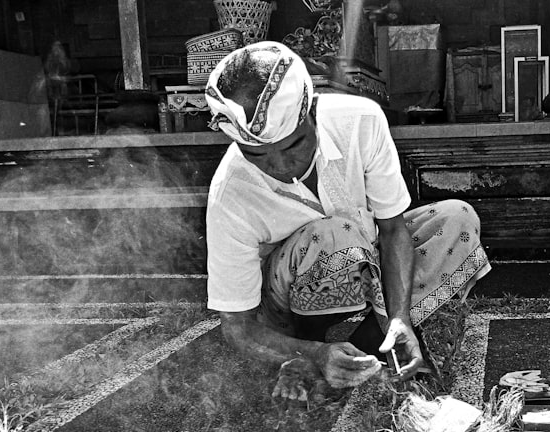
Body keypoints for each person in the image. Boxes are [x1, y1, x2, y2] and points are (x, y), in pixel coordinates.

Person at [203, 42, 491, 402]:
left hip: (365, 262)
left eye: (293, 146)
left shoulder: (362, 122)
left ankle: (369, 348)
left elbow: (393, 228)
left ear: (312, 112)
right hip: (283, 311)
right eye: (257, 155)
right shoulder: (230, 191)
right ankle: (313, 357)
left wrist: (399, 317)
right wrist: (310, 352)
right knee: (336, 235)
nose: (280, 167)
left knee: (457, 219)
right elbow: (238, 328)